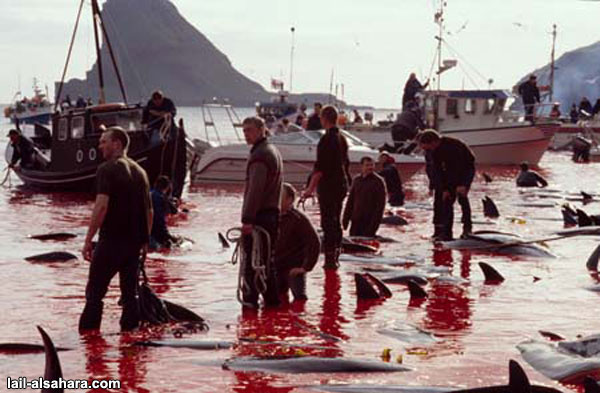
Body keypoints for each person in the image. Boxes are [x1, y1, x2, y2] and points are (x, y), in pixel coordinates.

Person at [79, 127, 152, 332]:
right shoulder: (141, 172)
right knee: (130, 295)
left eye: (104, 142)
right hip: (133, 245)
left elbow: (101, 206)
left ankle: (89, 342)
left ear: (117, 144)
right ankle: (130, 340)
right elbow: (149, 211)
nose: (99, 145)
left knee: (94, 294)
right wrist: (144, 241)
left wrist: (88, 240)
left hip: (111, 241)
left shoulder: (106, 169)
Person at [240, 116, 283, 308]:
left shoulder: (260, 155)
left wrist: (247, 220)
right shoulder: (272, 151)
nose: (246, 134)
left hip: (260, 217)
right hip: (271, 215)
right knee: (266, 263)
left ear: (261, 130)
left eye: (249, 130)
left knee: (253, 264)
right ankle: (273, 307)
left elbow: (255, 190)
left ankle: (251, 305)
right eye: (244, 131)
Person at [302, 105, 351, 269]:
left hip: (329, 186)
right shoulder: (342, 138)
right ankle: (336, 254)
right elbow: (346, 163)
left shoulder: (326, 139)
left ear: (323, 119)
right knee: (336, 221)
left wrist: (309, 190)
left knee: (328, 222)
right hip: (341, 184)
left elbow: (320, 168)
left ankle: (330, 259)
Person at [419, 129, 475, 240]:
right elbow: (437, 170)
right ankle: (447, 232)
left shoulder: (454, 145)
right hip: (448, 174)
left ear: (434, 142)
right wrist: (444, 189)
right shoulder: (433, 151)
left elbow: (464, 165)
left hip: (465, 170)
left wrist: (463, 184)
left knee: (462, 198)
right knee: (447, 201)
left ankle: (467, 228)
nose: (427, 150)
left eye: (428, 147)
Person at [274, 183, 320, 302]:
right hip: (275, 267)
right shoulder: (272, 217)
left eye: (280, 197)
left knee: (300, 300)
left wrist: (306, 267)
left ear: (290, 199)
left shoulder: (299, 219)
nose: (276, 200)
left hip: (293, 269)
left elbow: (314, 243)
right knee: (275, 300)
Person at [343, 157, 387, 237]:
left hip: (369, 221)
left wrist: (373, 227)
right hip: (356, 220)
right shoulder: (357, 180)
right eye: (367, 165)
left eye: (372, 165)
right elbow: (350, 201)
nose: (370, 167)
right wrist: (345, 220)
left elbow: (380, 206)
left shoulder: (378, 181)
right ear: (361, 166)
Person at [150, 176, 178, 249]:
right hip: (152, 235)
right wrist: (167, 236)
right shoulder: (161, 198)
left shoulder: (148, 193)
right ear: (167, 188)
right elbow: (158, 220)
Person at [424, 148, 444, 239]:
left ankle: (443, 232)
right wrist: (431, 187)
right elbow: (432, 172)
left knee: (441, 208)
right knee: (437, 207)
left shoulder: (435, 155)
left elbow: (436, 171)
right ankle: (438, 231)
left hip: (442, 185)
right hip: (436, 184)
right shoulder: (428, 154)